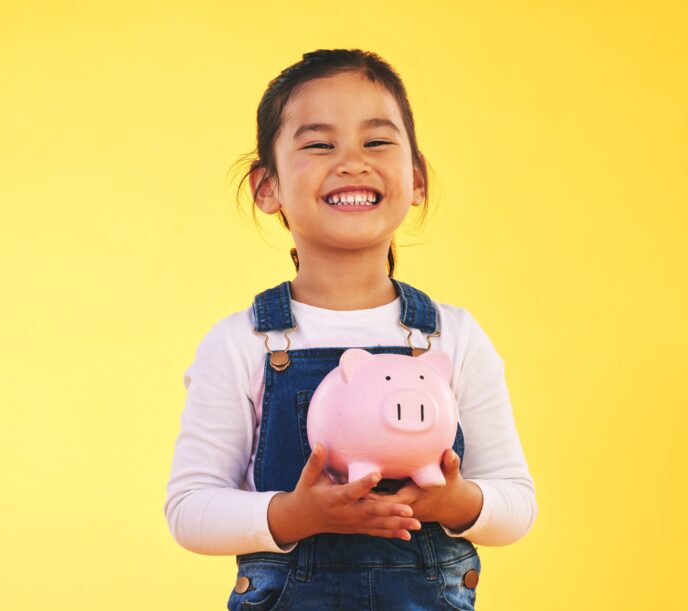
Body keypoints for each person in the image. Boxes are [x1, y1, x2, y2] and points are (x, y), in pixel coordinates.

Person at [163, 49, 537, 610]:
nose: (353, 163)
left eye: (377, 141)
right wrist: (297, 514)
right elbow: (190, 510)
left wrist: (454, 502)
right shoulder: (243, 344)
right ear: (267, 187)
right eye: (319, 144)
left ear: (416, 179)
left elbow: (517, 504)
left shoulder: (451, 338)